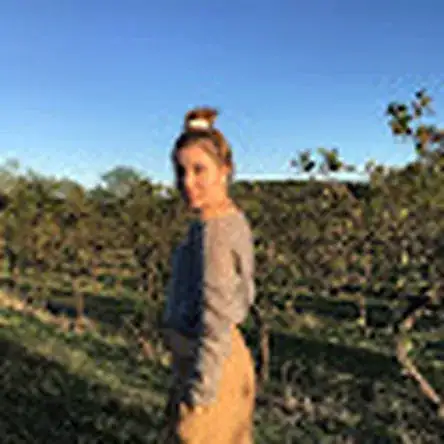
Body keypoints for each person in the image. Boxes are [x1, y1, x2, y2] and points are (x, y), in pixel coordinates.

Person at [160, 107, 256, 443]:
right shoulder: (229, 219)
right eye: (180, 171)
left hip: (210, 368)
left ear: (225, 170)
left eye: (199, 169)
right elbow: (243, 295)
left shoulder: (214, 230)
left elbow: (216, 319)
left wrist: (200, 397)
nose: (187, 182)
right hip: (224, 360)